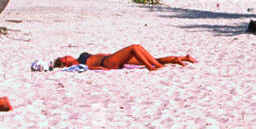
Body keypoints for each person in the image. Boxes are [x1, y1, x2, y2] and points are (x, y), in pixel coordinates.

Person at [52, 46, 196, 70]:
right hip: (108, 62)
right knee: (135, 47)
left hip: (110, 57)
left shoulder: (80, 57)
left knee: (141, 53)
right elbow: (90, 67)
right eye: (65, 58)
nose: (68, 56)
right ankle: (151, 67)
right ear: (66, 64)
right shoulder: (77, 65)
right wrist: (101, 68)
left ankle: (180, 58)